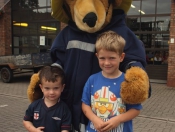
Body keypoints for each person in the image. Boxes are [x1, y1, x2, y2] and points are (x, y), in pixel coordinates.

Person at [81, 31, 142, 132]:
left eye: (112, 58)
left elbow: (135, 109)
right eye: (102, 58)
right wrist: (94, 119)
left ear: (121, 57)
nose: (107, 62)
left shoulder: (128, 82)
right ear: (97, 57)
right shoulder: (92, 80)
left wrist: (118, 119)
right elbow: (85, 104)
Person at [23, 66, 72, 132]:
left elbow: (65, 130)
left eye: (56, 88)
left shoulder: (64, 110)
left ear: (62, 87)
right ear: (41, 88)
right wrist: (34, 130)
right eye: (47, 88)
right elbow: (26, 121)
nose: (51, 92)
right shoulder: (34, 106)